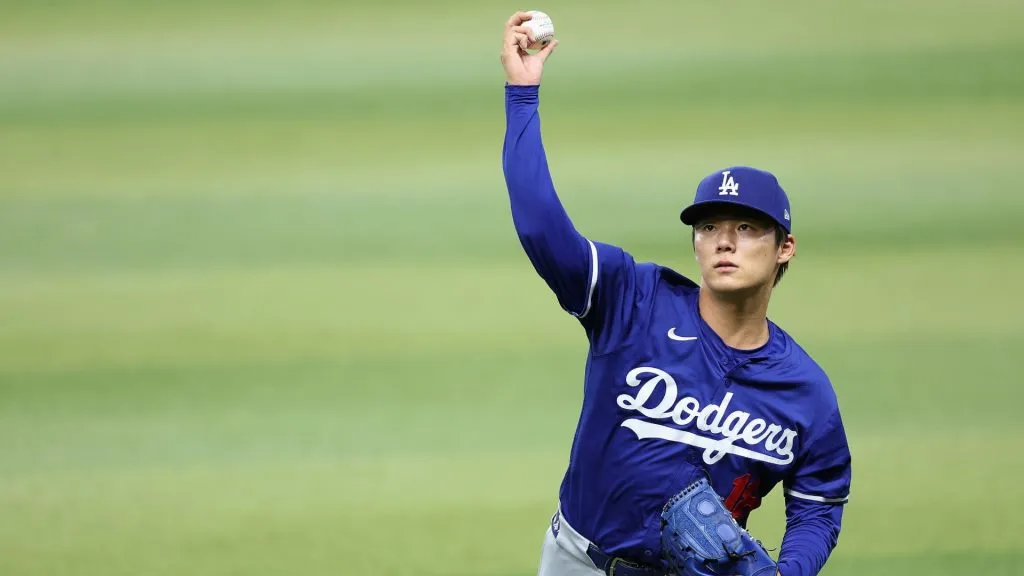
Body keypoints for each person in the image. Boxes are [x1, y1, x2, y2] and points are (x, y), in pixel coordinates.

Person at [499, 11, 853, 576]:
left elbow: (819, 504)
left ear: (784, 248)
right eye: (710, 227)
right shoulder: (632, 299)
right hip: (579, 563)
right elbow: (542, 228)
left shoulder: (804, 390)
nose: (724, 242)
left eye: (746, 228)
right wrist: (522, 95)